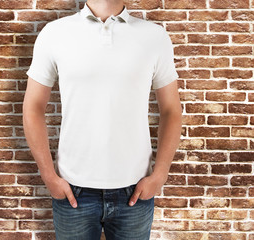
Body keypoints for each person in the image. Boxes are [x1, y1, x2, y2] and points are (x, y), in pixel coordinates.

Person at [23, 0, 182, 239]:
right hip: (72, 190)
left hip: (135, 191)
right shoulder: (55, 33)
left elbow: (171, 109)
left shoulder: (154, 37)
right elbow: (33, 107)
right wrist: (48, 176)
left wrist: (159, 176)